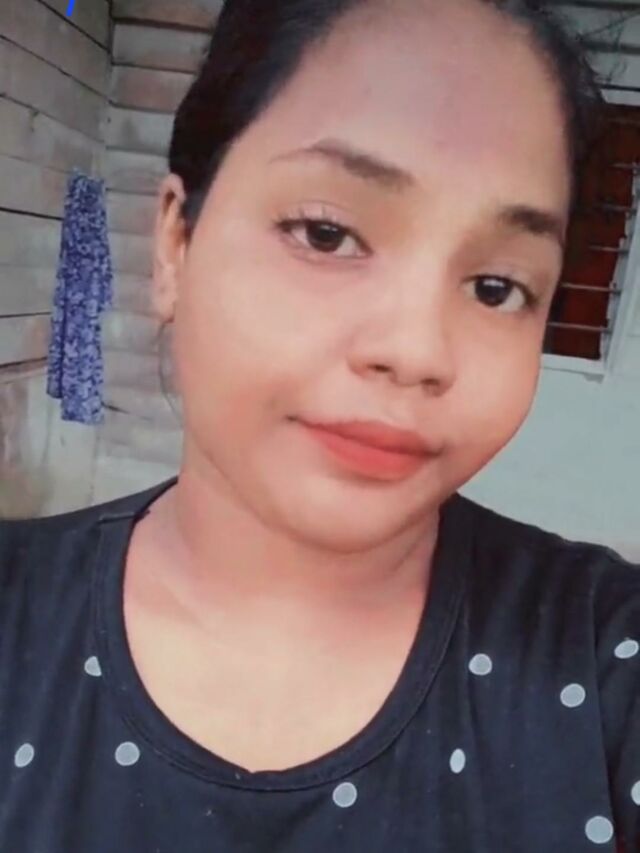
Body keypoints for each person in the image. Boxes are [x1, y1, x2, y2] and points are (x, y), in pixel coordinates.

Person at [0, 0, 638, 850]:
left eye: (497, 287)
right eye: (327, 233)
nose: (415, 350)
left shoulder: (603, 661)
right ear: (175, 244)